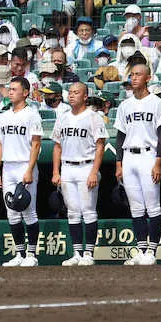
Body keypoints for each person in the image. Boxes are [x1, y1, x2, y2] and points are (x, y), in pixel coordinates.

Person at [114, 64, 161, 265]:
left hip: (148, 155)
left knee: (153, 206)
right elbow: (120, 136)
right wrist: (119, 163)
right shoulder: (125, 105)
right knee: (136, 208)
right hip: (129, 157)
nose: (134, 78)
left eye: (138, 74)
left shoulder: (156, 103)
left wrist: (158, 161)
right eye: (132, 75)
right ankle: (141, 249)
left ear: (148, 77)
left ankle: (152, 252)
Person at [51, 82, 107, 267]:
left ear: (85, 96)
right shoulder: (63, 117)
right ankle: (77, 252)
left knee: (88, 211)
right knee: (73, 212)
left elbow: (100, 146)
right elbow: (57, 146)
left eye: (77, 93)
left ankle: (89, 253)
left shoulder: (93, 117)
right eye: (71, 92)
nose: (72, 95)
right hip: (67, 166)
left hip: (86, 165)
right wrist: (55, 171)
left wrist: (94, 172)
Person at [0, 77, 43, 267]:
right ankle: (19, 254)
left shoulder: (32, 114)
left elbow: (36, 144)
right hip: (8, 167)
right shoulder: (3, 116)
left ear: (25, 92)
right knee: (12, 212)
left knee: (28, 211)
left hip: (24, 165)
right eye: (10, 89)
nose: (10, 92)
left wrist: (30, 169)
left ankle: (32, 255)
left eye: (14, 89)